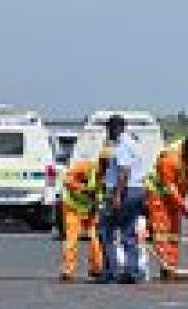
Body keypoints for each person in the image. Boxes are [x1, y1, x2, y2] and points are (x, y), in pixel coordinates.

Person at [99, 114, 147, 284]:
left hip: (125, 191)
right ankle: (132, 271)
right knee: (128, 231)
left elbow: (124, 171)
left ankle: (111, 271)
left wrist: (117, 196)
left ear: (115, 128)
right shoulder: (134, 143)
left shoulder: (122, 145)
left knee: (105, 230)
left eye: (108, 129)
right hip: (137, 190)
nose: (107, 133)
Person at [144, 135, 188, 278]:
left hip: (174, 197)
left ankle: (172, 265)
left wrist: (185, 196)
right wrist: (183, 205)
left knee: (174, 232)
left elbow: (185, 178)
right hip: (159, 196)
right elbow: (170, 187)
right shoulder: (169, 159)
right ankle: (167, 266)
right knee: (162, 232)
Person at [59, 152, 107, 282]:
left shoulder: (108, 176)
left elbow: (101, 196)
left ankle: (97, 268)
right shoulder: (85, 167)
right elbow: (67, 180)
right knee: (72, 239)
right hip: (73, 208)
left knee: (95, 239)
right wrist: (83, 188)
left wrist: (96, 206)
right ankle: (68, 270)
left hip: (90, 209)